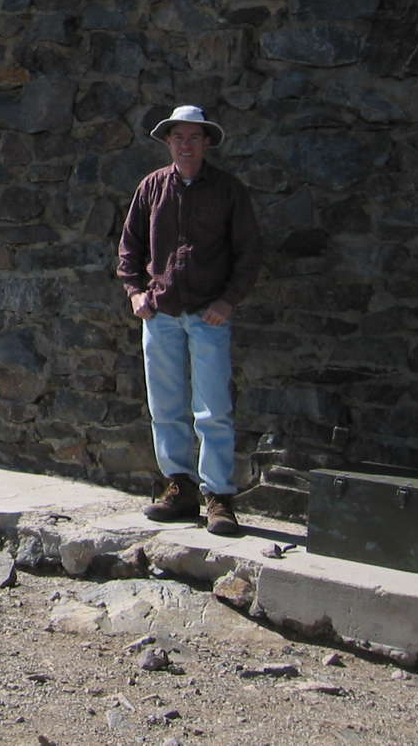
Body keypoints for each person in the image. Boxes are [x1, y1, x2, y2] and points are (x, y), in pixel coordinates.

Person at [116, 104, 262, 537]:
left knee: (213, 408)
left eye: (194, 137)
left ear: (206, 142)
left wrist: (229, 301)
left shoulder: (228, 190)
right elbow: (129, 247)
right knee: (165, 407)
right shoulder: (151, 187)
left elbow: (249, 251)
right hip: (160, 312)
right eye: (178, 137)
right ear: (168, 142)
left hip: (208, 315)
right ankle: (179, 488)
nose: (186, 145)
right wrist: (135, 292)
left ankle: (219, 496)